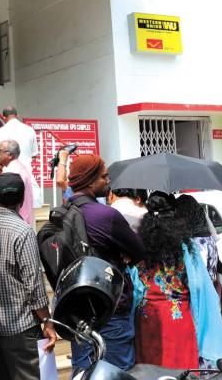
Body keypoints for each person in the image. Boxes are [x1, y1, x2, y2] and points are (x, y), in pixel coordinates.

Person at [131, 192, 222, 369]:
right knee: (182, 372)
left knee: (150, 372)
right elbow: (200, 285)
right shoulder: (186, 246)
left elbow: (135, 285)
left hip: (148, 320)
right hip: (178, 319)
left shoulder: (138, 246)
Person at [67, 154, 146, 371]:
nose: (108, 181)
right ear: (90, 181)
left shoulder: (62, 214)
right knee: (116, 372)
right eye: (104, 177)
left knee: (83, 373)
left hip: (75, 313)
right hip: (110, 311)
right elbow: (139, 251)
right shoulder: (105, 215)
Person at [0, 173, 57, 380]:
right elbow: (34, 285)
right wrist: (47, 320)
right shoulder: (23, 231)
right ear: (23, 199)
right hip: (21, 326)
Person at [0, 140, 35, 227]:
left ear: (10, 155)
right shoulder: (18, 167)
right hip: (18, 220)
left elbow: (3, 198)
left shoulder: (12, 172)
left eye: (0, 151)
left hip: (11, 222)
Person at [176, 194, 219, 283]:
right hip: (210, 292)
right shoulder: (208, 238)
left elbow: (197, 280)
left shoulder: (198, 244)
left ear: (187, 216)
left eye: (179, 216)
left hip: (202, 294)